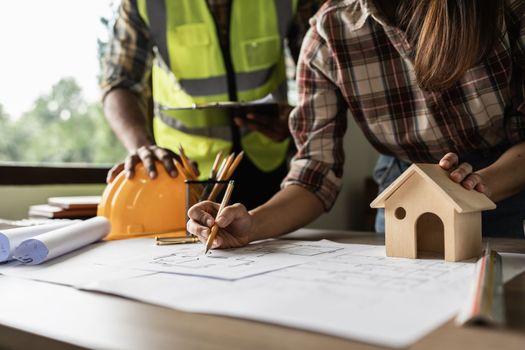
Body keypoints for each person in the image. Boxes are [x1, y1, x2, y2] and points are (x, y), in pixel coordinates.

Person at [187, 0, 525, 250]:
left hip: (505, 184)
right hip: (403, 190)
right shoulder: (327, 34)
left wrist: (475, 184)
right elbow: (313, 176)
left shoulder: (506, 10)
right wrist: (251, 224)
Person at [100, 0, 322, 210]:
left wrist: (298, 119)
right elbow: (119, 82)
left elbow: (320, 70)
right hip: (183, 170)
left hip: (266, 162)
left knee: (274, 247)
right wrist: (142, 146)